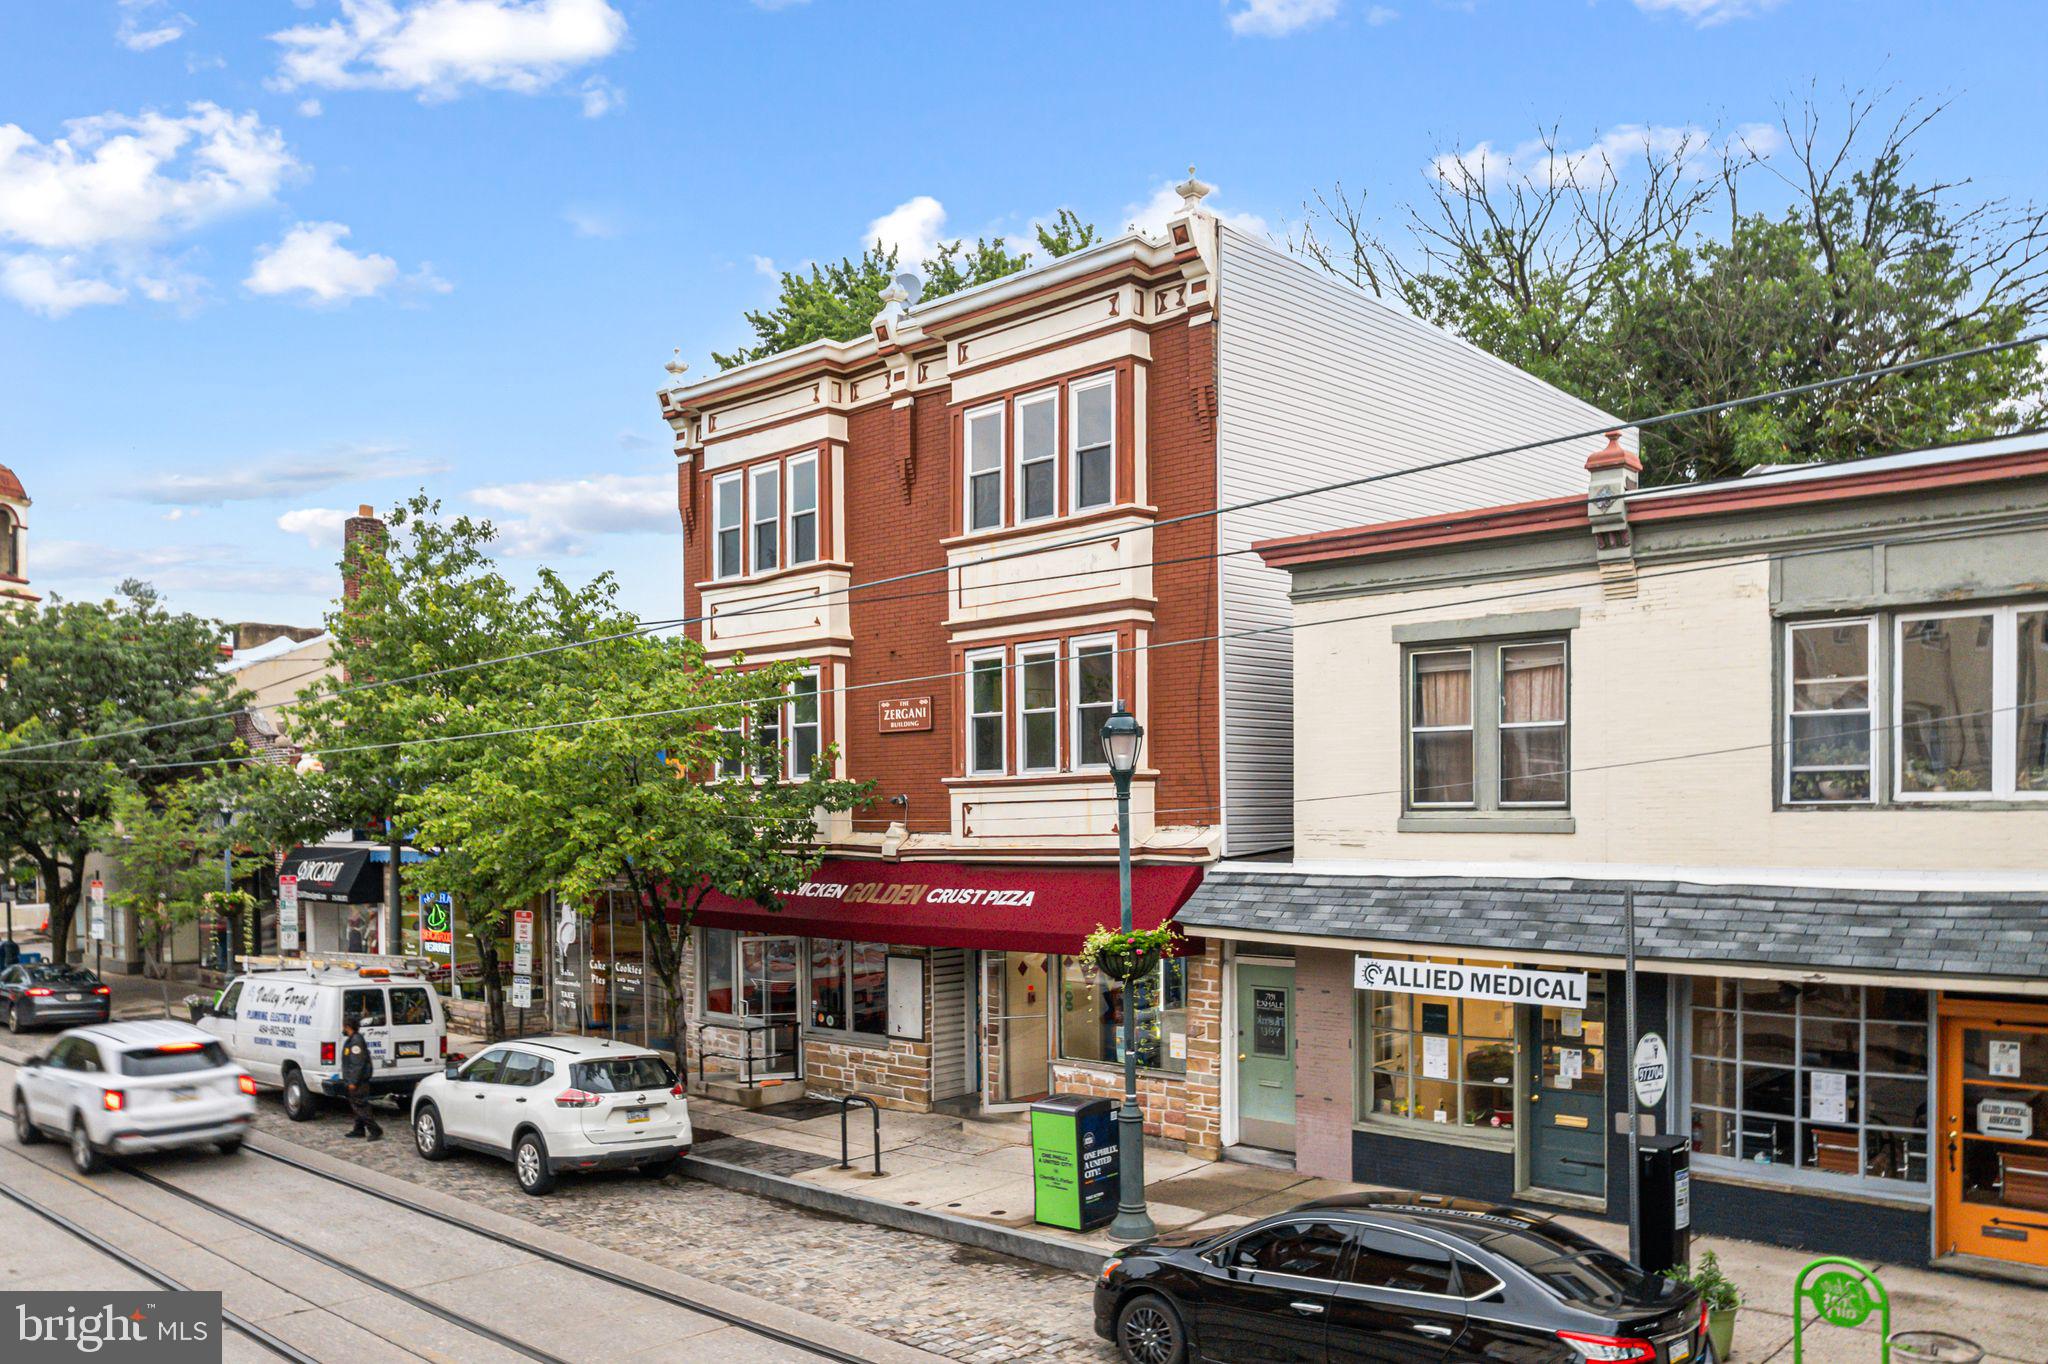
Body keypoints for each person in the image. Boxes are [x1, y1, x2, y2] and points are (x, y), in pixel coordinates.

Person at [340, 1015, 382, 1141]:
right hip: (355, 1080)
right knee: (356, 1104)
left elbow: (357, 1063)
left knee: (361, 1105)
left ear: (348, 1027)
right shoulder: (353, 1039)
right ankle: (358, 1130)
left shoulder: (356, 1041)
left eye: (344, 1026)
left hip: (358, 1081)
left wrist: (353, 1081)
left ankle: (375, 1130)